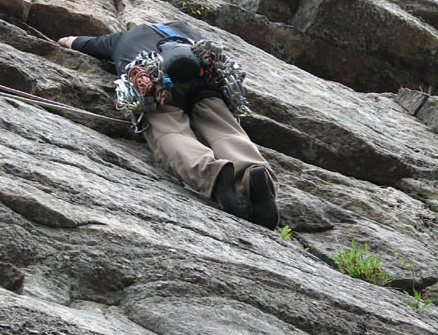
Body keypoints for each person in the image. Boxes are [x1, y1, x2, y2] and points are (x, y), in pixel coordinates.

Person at [58, 18, 278, 229]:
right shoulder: (183, 29)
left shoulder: (120, 39)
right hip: (203, 79)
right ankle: (254, 175)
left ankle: (215, 176)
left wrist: (67, 41)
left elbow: (73, 41)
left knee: (172, 133)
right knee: (226, 131)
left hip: (155, 84)